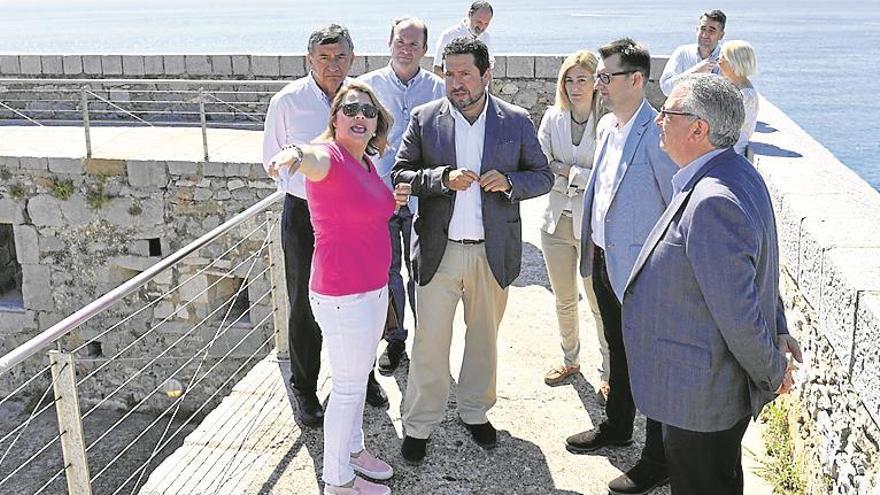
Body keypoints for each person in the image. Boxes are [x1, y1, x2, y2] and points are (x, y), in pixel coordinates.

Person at [623, 74, 800, 494]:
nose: (659, 119)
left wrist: (773, 372)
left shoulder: (712, 200)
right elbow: (761, 268)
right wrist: (777, 327)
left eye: (669, 112)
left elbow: (738, 314)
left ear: (698, 129)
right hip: (701, 391)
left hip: (700, 398)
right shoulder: (738, 172)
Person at [392, 38, 552, 464]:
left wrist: (511, 184)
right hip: (438, 254)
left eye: (465, 73)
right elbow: (400, 175)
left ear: (486, 76)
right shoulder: (425, 119)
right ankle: (419, 424)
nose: (456, 82)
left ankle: (474, 411)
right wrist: (442, 178)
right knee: (429, 343)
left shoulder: (515, 121)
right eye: (449, 73)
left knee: (483, 340)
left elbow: (543, 176)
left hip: (491, 253)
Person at [267, 81, 399, 495]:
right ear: (335, 118)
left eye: (368, 111)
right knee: (346, 388)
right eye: (351, 110)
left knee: (358, 378)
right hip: (344, 295)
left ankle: (355, 452)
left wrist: (394, 198)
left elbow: (364, 209)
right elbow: (308, 155)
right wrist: (291, 153)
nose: (360, 117)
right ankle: (337, 480)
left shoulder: (365, 162)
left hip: (372, 289)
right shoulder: (330, 156)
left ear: (376, 122)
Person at [566, 38, 679, 495]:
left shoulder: (657, 133)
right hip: (604, 260)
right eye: (598, 77)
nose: (598, 85)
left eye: (606, 77)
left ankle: (658, 460)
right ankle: (617, 425)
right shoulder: (611, 125)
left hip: (642, 273)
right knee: (617, 346)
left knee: (649, 362)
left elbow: (676, 206)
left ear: (636, 79)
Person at [262, 24, 387, 428]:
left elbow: (376, 151)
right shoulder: (287, 101)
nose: (332, 65)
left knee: (363, 297)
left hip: (354, 219)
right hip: (303, 214)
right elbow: (273, 161)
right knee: (302, 304)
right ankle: (306, 389)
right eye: (324, 57)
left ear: (352, 59)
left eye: (340, 57)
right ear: (309, 59)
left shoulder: (363, 98)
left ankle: (363, 376)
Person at [358, 17, 445, 374]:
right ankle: (396, 340)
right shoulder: (366, 87)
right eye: (400, 42)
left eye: (413, 44)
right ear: (389, 43)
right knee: (386, 270)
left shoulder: (439, 89)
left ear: (425, 50)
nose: (406, 49)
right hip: (379, 194)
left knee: (422, 271)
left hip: (422, 197)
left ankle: (427, 344)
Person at [536, 50, 609, 393]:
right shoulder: (553, 117)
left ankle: (609, 373)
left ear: (597, 83)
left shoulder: (609, 121)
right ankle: (570, 359)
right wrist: (581, 175)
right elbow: (540, 164)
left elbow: (606, 177)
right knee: (564, 298)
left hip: (593, 225)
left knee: (597, 302)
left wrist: (568, 171)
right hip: (555, 222)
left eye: (583, 79)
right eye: (569, 79)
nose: (575, 86)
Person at [659, 10, 726, 96]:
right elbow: (666, 88)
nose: (705, 34)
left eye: (711, 31)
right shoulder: (682, 53)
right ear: (697, 30)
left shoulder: (727, 58)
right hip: (683, 108)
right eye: (703, 29)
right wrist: (694, 72)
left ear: (721, 35)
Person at [432, 1, 495, 76]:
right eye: (479, 22)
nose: (482, 27)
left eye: (486, 24)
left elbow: (489, 69)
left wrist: (490, 88)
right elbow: (437, 68)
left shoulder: (486, 38)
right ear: (470, 14)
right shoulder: (449, 35)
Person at [719, 41, 759, 155]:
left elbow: (729, 129)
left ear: (733, 63)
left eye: (722, 58)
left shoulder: (747, 96)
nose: (719, 62)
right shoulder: (733, 87)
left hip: (730, 155)